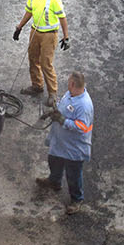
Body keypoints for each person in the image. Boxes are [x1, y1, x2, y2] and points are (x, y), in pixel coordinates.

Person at [36, 72, 93, 214]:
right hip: (60, 142)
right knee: (54, 161)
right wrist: (52, 113)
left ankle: (76, 199)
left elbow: (82, 127)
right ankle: (54, 181)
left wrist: (63, 121)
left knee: (73, 175)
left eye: (69, 82)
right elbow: (63, 107)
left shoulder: (84, 105)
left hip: (73, 148)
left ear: (73, 84)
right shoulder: (70, 94)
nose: (67, 84)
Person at [12, 0, 69, 98]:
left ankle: (53, 94)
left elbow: (62, 18)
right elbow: (29, 12)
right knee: (33, 59)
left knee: (46, 64)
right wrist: (19, 27)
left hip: (49, 35)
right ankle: (37, 86)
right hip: (35, 31)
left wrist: (66, 37)